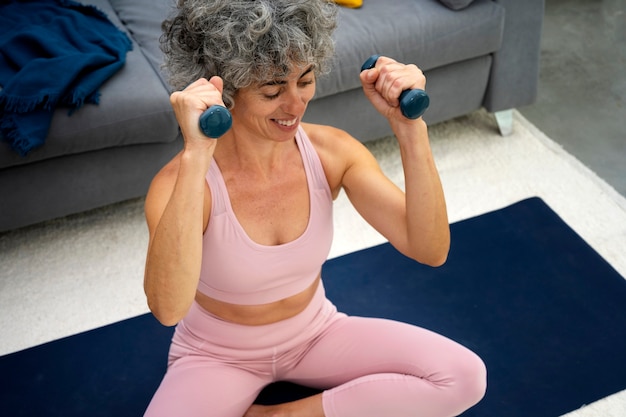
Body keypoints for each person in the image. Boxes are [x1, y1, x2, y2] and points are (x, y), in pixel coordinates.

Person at [142, 0, 486, 416]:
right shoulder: (178, 183)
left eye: (304, 81)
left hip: (316, 334)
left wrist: (409, 129)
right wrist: (197, 155)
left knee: (463, 376)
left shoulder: (330, 151)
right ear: (224, 93)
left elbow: (430, 249)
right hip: (215, 354)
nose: (295, 105)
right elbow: (168, 309)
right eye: (272, 91)